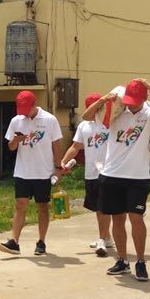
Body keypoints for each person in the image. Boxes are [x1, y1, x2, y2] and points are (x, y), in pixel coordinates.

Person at [82, 78, 150, 281]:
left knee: (136, 218)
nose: (131, 104)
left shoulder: (148, 114)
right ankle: (122, 260)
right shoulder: (116, 112)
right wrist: (104, 99)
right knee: (117, 218)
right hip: (111, 174)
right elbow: (87, 116)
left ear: (144, 98)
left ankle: (140, 261)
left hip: (137, 176)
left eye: (135, 101)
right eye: (129, 100)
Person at [0, 90, 63, 256]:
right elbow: (11, 147)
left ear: (34, 105)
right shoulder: (16, 121)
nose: (24, 113)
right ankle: (14, 242)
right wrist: (15, 140)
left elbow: (56, 145)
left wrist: (58, 168)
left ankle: (41, 241)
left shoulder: (49, 120)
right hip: (23, 171)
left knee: (42, 206)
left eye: (26, 109)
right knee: (20, 205)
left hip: (43, 172)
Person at [61, 93, 112, 257]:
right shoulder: (84, 126)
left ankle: (102, 240)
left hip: (108, 171)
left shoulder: (110, 123)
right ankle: (107, 236)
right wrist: (63, 161)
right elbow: (75, 147)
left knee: (104, 207)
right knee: (98, 208)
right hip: (91, 172)